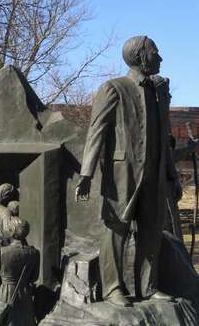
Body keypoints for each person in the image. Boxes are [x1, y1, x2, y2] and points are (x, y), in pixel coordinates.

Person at [75, 36, 180, 307]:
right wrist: (86, 174)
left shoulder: (158, 92)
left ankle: (148, 287)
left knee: (152, 230)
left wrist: (171, 174)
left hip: (154, 173)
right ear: (140, 56)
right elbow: (97, 131)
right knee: (115, 230)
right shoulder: (114, 88)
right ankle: (113, 288)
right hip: (122, 174)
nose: (160, 58)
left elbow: (164, 137)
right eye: (155, 53)